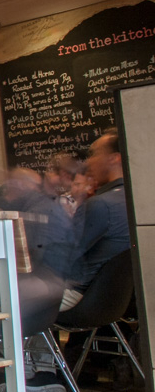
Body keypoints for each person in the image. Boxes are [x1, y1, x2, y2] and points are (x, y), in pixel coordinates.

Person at [62, 129, 130, 311]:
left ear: (114, 158)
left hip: (82, 296)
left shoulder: (101, 204)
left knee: (5, 299)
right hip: (120, 300)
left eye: (95, 153)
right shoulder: (136, 200)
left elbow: (65, 254)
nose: (89, 161)